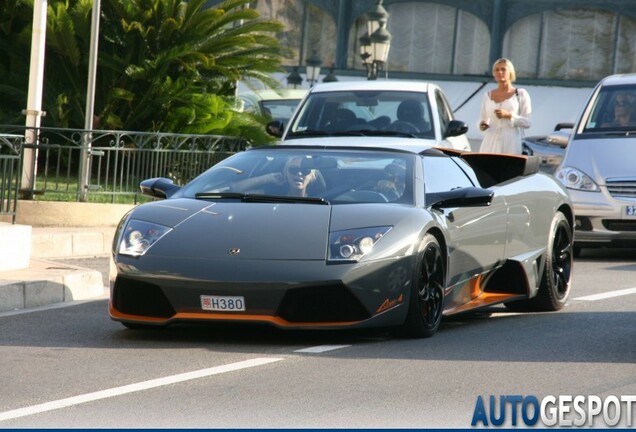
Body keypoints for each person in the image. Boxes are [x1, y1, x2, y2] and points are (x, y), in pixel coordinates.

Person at [478, 58, 531, 154]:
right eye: (497, 70)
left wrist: (509, 115)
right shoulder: (487, 95)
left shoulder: (520, 94)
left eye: (503, 69)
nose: (500, 72)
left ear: (510, 72)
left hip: (511, 142)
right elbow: (483, 119)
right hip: (490, 142)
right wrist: (482, 125)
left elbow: (527, 123)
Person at [232, 156, 317, 197]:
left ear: (312, 177)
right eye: (293, 169)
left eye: (305, 170)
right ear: (285, 174)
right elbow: (235, 189)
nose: (299, 174)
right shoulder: (275, 194)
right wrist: (267, 178)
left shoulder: (321, 198)